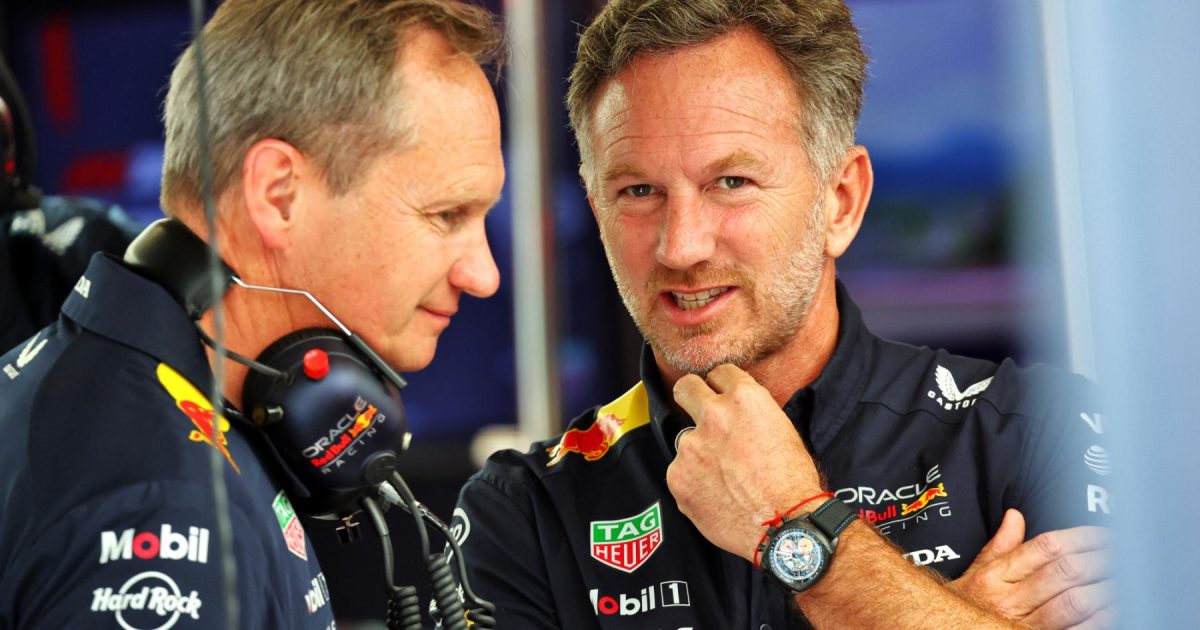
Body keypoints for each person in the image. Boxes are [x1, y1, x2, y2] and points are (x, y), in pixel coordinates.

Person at [452, 1, 1112, 628]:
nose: (681, 246)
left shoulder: (1039, 429)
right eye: (639, 190)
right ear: (598, 211)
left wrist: (793, 521)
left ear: (841, 202)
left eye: (731, 183)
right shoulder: (526, 512)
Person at [0, 1, 504, 627]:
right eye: (447, 215)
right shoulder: (170, 508)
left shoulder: (127, 395)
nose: (483, 274)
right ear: (278, 195)